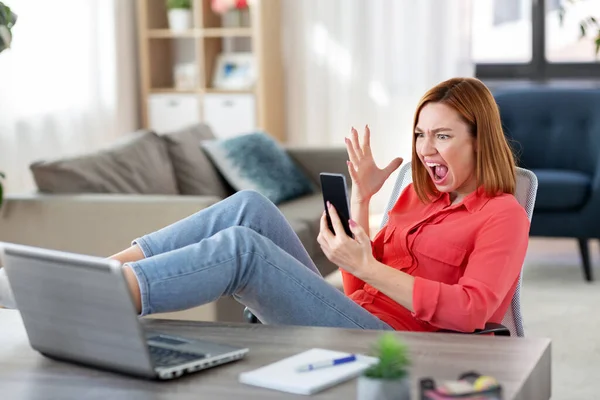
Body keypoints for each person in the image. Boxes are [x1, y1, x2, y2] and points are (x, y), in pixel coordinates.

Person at [0, 77, 530, 333]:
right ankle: (96, 274)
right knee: (251, 206)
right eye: (420, 134)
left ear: (480, 138)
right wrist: (364, 202)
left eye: (441, 136)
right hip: (355, 316)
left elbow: (473, 310)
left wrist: (365, 266)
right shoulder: (416, 194)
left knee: (243, 252)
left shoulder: (501, 214)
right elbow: (359, 287)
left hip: (403, 345)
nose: (425, 149)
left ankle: (84, 296)